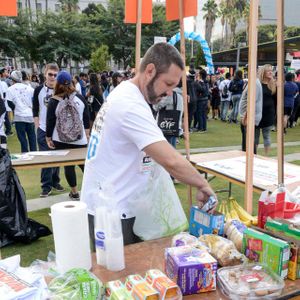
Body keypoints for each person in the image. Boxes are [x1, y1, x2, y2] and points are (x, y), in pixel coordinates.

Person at [80, 43, 217, 246]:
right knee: (123, 273)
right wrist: (202, 183)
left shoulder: (127, 93)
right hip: (112, 210)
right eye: (168, 83)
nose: (170, 92)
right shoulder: (130, 105)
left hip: (112, 203)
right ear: (150, 70)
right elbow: (170, 160)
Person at [46, 71, 90, 200]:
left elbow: (50, 121)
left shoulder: (54, 101)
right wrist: (87, 134)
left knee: (68, 166)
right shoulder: (80, 98)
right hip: (79, 138)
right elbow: (86, 118)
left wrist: (48, 137)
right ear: (71, 82)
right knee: (85, 165)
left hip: (60, 138)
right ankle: (93, 189)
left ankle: (74, 192)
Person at [33, 63, 65, 198]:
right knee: (46, 157)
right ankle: (46, 186)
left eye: (55, 75)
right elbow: (35, 108)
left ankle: (55, 181)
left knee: (56, 157)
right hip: (43, 129)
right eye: (50, 74)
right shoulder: (38, 90)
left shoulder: (61, 90)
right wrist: (37, 126)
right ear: (45, 74)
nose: (52, 77)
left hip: (57, 130)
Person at [6, 70, 37, 153]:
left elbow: (9, 102)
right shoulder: (30, 88)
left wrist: (15, 108)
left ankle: (25, 154)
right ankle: (34, 154)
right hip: (29, 116)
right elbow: (34, 101)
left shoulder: (10, 89)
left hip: (19, 117)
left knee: (22, 138)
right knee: (32, 137)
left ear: (12, 79)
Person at [153, 81, 184, 148]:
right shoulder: (181, 95)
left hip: (166, 125)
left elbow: (156, 107)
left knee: (165, 148)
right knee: (172, 147)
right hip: (175, 125)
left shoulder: (170, 95)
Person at [256, 64, 277, 155]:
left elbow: (276, 100)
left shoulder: (273, 84)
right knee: (255, 137)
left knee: (267, 136)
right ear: (263, 72)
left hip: (269, 114)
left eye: (271, 71)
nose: (270, 72)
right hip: (257, 114)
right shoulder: (257, 84)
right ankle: (254, 155)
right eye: (268, 70)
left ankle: (266, 156)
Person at [239, 78, 263, 154]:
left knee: (249, 144)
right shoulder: (252, 81)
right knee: (247, 143)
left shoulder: (254, 83)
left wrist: (246, 116)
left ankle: (251, 161)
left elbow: (252, 101)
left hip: (250, 117)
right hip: (248, 116)